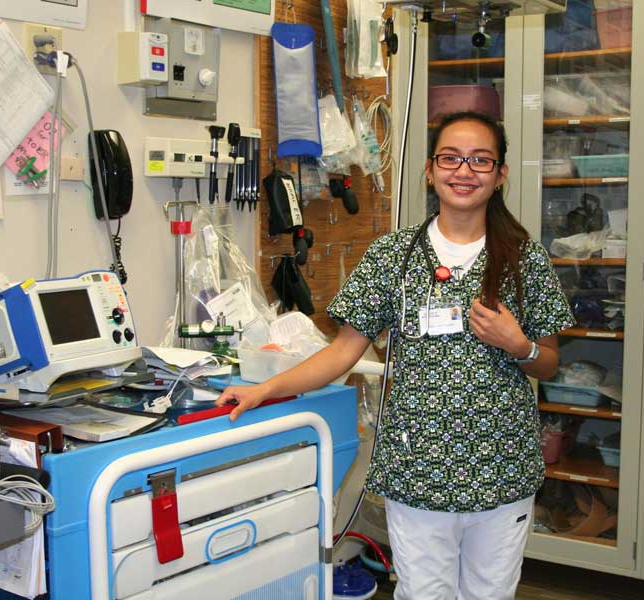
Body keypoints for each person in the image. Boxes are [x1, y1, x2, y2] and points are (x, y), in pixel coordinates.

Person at [216, 111, 575, 599]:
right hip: (417, 468)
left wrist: (520, 345)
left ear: (500, 174)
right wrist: (265, 390)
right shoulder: (394, 256)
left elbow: (549, 361)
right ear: (430, 170)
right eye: (450, 158)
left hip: (502, 468)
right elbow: (343, 351)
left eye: (480, 160)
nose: (463, 171)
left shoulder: (523, 259)